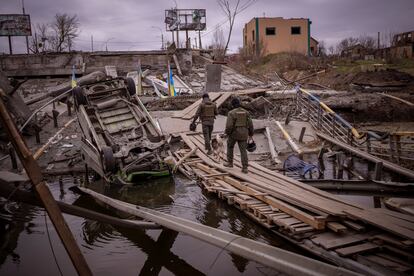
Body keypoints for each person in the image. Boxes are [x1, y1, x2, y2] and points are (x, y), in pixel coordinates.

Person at [224, 97, 253, 174]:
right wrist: (251, 134)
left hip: (234, 134)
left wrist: (227, 133)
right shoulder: (246, 112)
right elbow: (250, 124)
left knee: (230, 146)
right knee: (243, 150)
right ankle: (245, 167)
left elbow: (229, 126)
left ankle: (230, 163)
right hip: (244, 134)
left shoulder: (231, 113)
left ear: (233, 105)